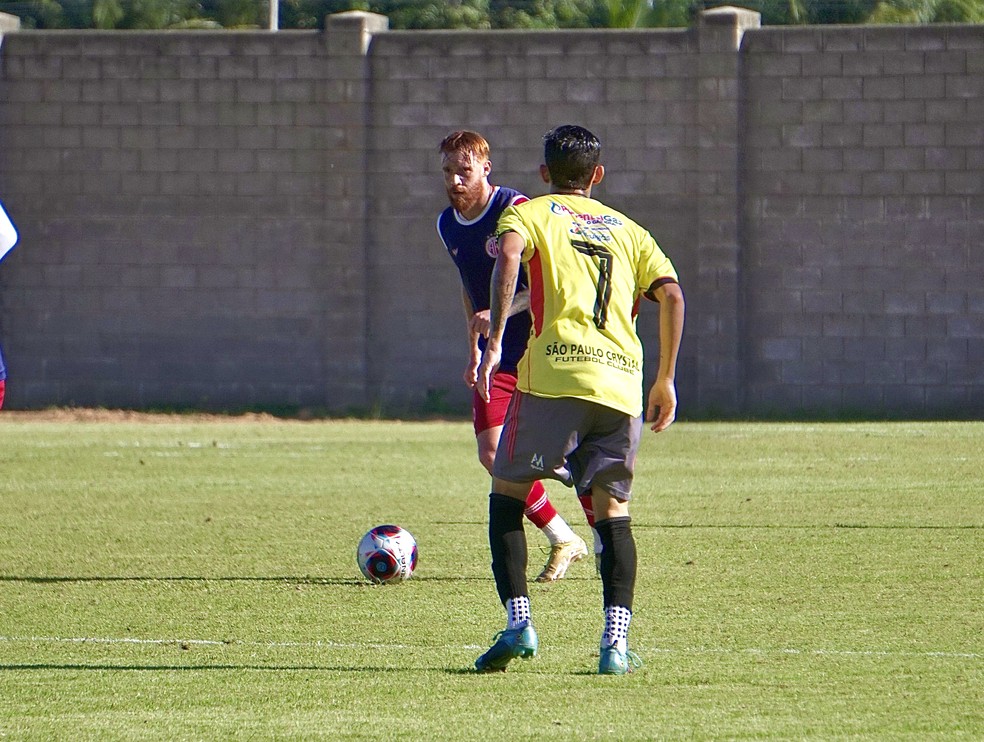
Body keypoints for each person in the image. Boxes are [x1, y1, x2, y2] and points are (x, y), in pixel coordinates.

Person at [472, 125, 685, 675]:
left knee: (507, 491)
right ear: (598, 175)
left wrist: (494, 343)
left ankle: (519, 623)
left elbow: (509, 257)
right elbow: (671, 294)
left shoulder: (528, 213)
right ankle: (615, 646)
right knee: (614, 514)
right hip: (620, 386)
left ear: (544, 173)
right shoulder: (631, 231)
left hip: (552, 378)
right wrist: (665, 379)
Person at [437, 130, 590, 582]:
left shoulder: (515, 208)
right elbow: (469, 289)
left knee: (574, 451)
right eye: (448, 171)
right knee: (491, 453)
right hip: (495, 356)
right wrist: (473, 349)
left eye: (464, 171)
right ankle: (564, 538)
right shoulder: (447, 224)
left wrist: (502, 311)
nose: (455, 180)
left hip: (540, 346)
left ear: (486, 168)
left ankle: (607, 538)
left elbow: (546, 281)